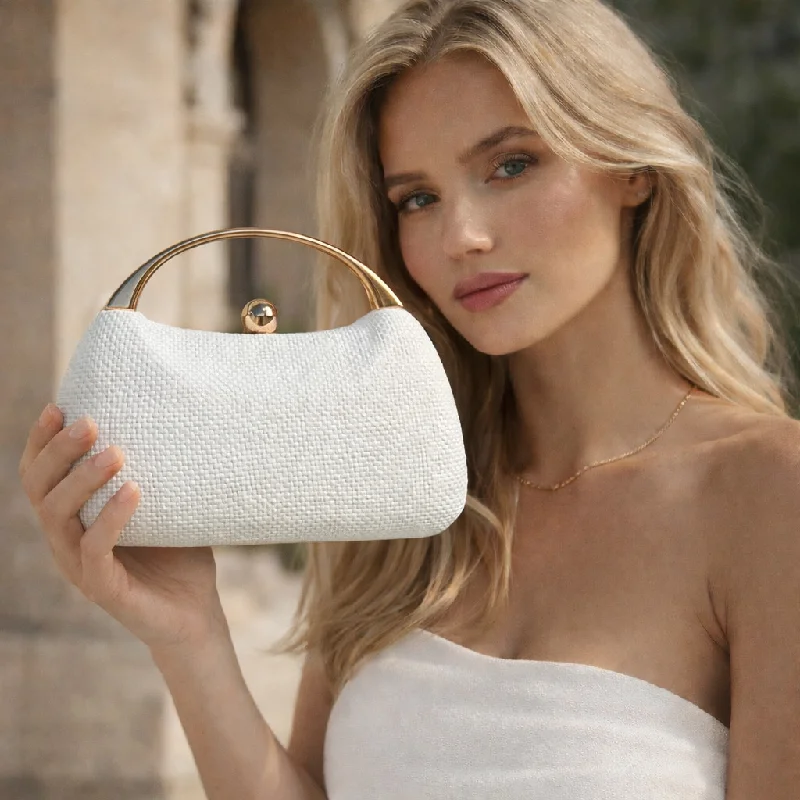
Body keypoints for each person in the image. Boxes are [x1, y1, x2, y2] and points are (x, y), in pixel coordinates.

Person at [18, 0, 800, 797]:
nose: (461, 236)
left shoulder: (770, 491)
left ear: (631, 168)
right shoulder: (397, 486)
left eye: (511, 165)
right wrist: (189, 635)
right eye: (417, 199)